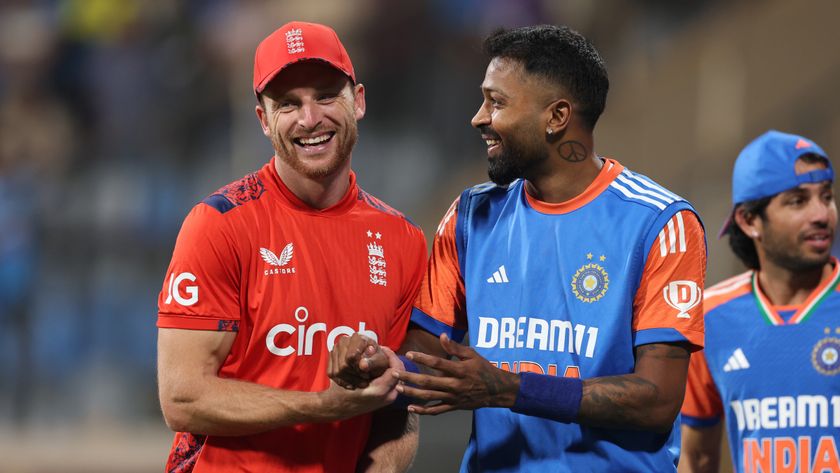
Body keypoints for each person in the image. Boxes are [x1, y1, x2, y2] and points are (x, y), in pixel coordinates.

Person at [331, 24, 707, 472]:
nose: (479, 117)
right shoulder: (471, 214)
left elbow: (658, 400)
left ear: (556, 117)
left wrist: (509, 390)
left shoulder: (660, 223)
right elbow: (426, 351)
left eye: (497, 101)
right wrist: (377, 361)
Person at [156, 21, 427, 473]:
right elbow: (183, 399)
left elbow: (399, 408)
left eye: (325, 95)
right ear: (263, 120)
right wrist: (323, 405)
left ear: (357, 100)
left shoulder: (403, 240)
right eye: (288, 104)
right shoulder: (219, 224)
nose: (310, 118)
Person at [680, 131, 840, 473]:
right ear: (750, 220)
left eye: (826, 197)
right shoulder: (708, 318)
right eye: (798, 201)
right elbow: (697, 458)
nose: (822, 214)